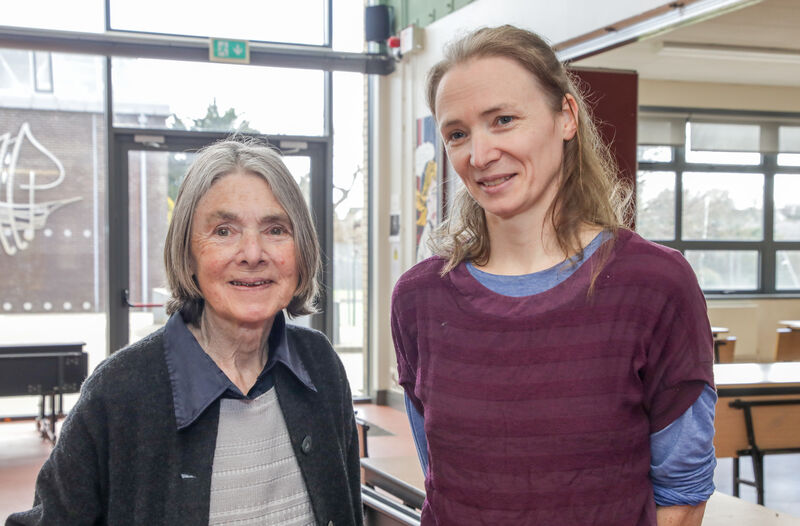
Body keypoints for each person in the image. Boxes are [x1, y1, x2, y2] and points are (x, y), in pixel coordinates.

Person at [391, 25, 715, 526]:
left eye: (503, 120)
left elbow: (684, 495)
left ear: (565, 117)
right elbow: (444, 478)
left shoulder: (655, 284)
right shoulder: (418, 299)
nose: (479, 155)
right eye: (457, 133)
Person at [8, 139, 363, 526]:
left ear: (301, 250)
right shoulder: (120, 392)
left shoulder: (321, 365)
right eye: (224, 230)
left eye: (275, 229)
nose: (252, 253)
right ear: (188, 254)